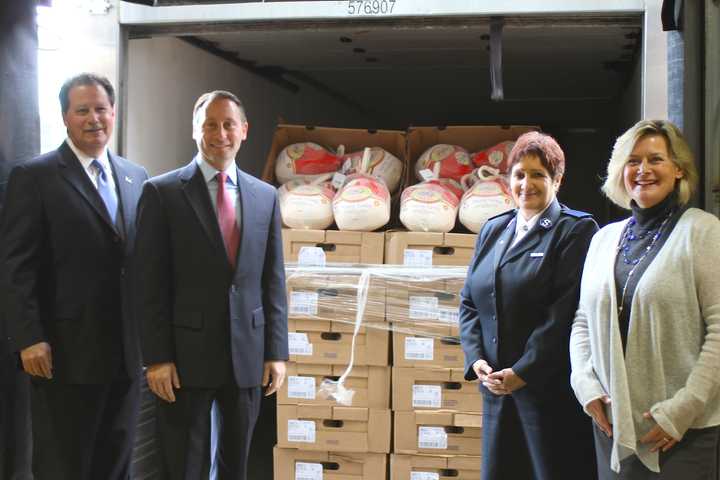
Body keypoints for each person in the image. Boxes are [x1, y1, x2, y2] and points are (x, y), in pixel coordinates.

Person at [0, 73, 148, 479]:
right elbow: (15, 266)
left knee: (115, 463)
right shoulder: (35, 176)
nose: (93, 118)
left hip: (125, 352)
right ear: (65, 117)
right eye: (82, 110)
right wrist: (29, 337)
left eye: (101, 109)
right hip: (63, 355)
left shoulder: (136, 177)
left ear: (113, 113)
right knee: (62, 464)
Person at [134, 90, 288, 480]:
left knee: (236, 462)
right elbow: (148, 282)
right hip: (184, 358)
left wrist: (276, 352)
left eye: (228, 124)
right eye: (210, 125)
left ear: (244, 130)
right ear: (194, 130)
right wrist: (156, 357)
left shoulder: (265, 196)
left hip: (247, 353)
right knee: (184, 462)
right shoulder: (162, 192)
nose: (220, 133)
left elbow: (273, 280)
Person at [570, 120, 720, 479]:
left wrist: (682, 411)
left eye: (656, 159)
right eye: (633, 161)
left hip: (682, 433)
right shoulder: (603, 239)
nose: (643, 170)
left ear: (678, 168)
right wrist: (585, 386)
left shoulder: (702, 232)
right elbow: (582, 321)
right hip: (613, 427)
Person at [459, 131, 599, 479]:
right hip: (497, 391)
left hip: (546, 393)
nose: (526, 183)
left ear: (558, 180)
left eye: (538, 174)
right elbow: (470, 302)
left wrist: (523, 372)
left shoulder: (575, 231)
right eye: (520, 174)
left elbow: (563, 314)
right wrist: (476, 358)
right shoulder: (494, 229)